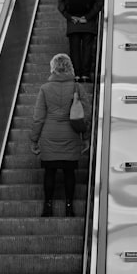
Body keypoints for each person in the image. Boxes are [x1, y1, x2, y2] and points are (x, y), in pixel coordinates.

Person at [30, 53, 91, 217]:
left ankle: (47, 206)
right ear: (70, 67)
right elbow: (85, 114)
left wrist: (34, 140)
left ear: (53, 68)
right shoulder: (78, 88)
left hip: (49, 135)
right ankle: (69, 207)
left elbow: (38, 117)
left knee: (49, 172)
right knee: (69, 172)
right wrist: (85, 138)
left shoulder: (45, 89)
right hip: (71, 134)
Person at [57, 0, 103, 82]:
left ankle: (76, 75)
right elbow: (99, 2)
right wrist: (87, 17)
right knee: (87, 49)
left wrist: (70, 17)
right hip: (88, 23)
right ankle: (85, 75)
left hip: (73, 24)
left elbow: (61, 4)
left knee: (75, 49)